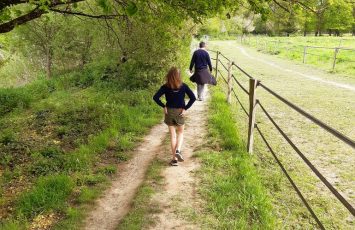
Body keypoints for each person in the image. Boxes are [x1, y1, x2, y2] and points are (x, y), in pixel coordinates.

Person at [153, 67, 196, 166]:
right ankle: (178, 150)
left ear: (169, 76)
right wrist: (185, 108)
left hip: (169, 112)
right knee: (180, 133)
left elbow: (155, 97)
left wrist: (163, 106)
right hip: (180, 112)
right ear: (179, 76)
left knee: (173, 136)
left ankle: (174, 160)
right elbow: (193, 98)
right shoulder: (183, 86)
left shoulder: (165, 86)